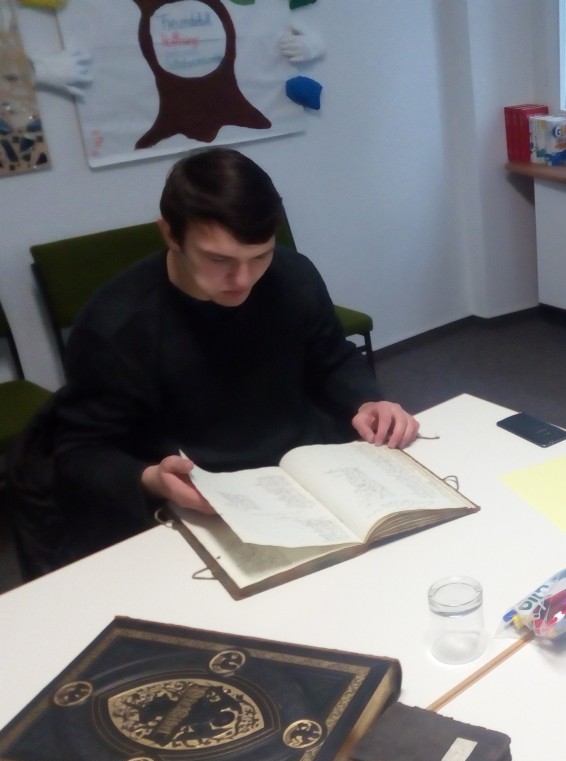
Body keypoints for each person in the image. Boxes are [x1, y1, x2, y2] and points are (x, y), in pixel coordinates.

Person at [30, 147, 418, 568]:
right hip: (201, 498)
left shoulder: (292, 275)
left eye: (260, 255)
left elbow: (332, 357)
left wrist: (366, 399)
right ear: (170, 234)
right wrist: (152, 479)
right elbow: (80, 453)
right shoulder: (115, 325)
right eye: (219, 259)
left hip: (307, 471)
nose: (243, 279)